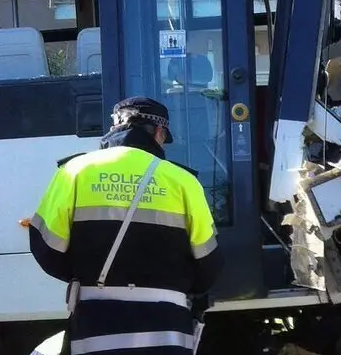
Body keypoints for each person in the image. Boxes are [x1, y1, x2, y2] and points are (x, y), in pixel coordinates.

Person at [27, 97, 224, 355]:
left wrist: (86, 279)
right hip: (167, 324)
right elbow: (209, 261)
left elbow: (45, 247)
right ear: (160, 133)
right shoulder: (184, 181)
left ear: (114, 127)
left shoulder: (74, 171)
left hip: (95, 322)